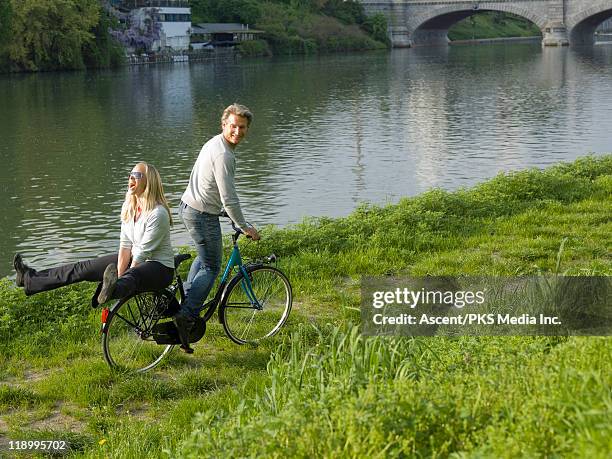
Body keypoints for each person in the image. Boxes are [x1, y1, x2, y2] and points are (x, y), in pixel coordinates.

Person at [13, 162, 175, 307]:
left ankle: (113, 290)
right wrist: (118, 273)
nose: (131, 178)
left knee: (134, 274)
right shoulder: (129, 207)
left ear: (149, 181)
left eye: (137, 175)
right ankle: (29, 279)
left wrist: (122, 278)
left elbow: (142, 254)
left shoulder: (158, 213)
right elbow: (125, 247)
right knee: (82, 268)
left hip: (160, 267)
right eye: (130, 175)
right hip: (136, 259)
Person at [174, 103, 260, 353]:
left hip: (188, 206)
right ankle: (187, 314)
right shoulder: (224, 154)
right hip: (201, 214)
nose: (237, 131)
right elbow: (229, 197)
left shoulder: (214, 143)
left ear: (247, 129)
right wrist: (244, 227)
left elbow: (208, 186)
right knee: (212, 266)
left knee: (204, 259)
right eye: (233, 126)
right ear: (224, 125)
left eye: (242, 127)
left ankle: (186, 302)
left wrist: (225, 213)